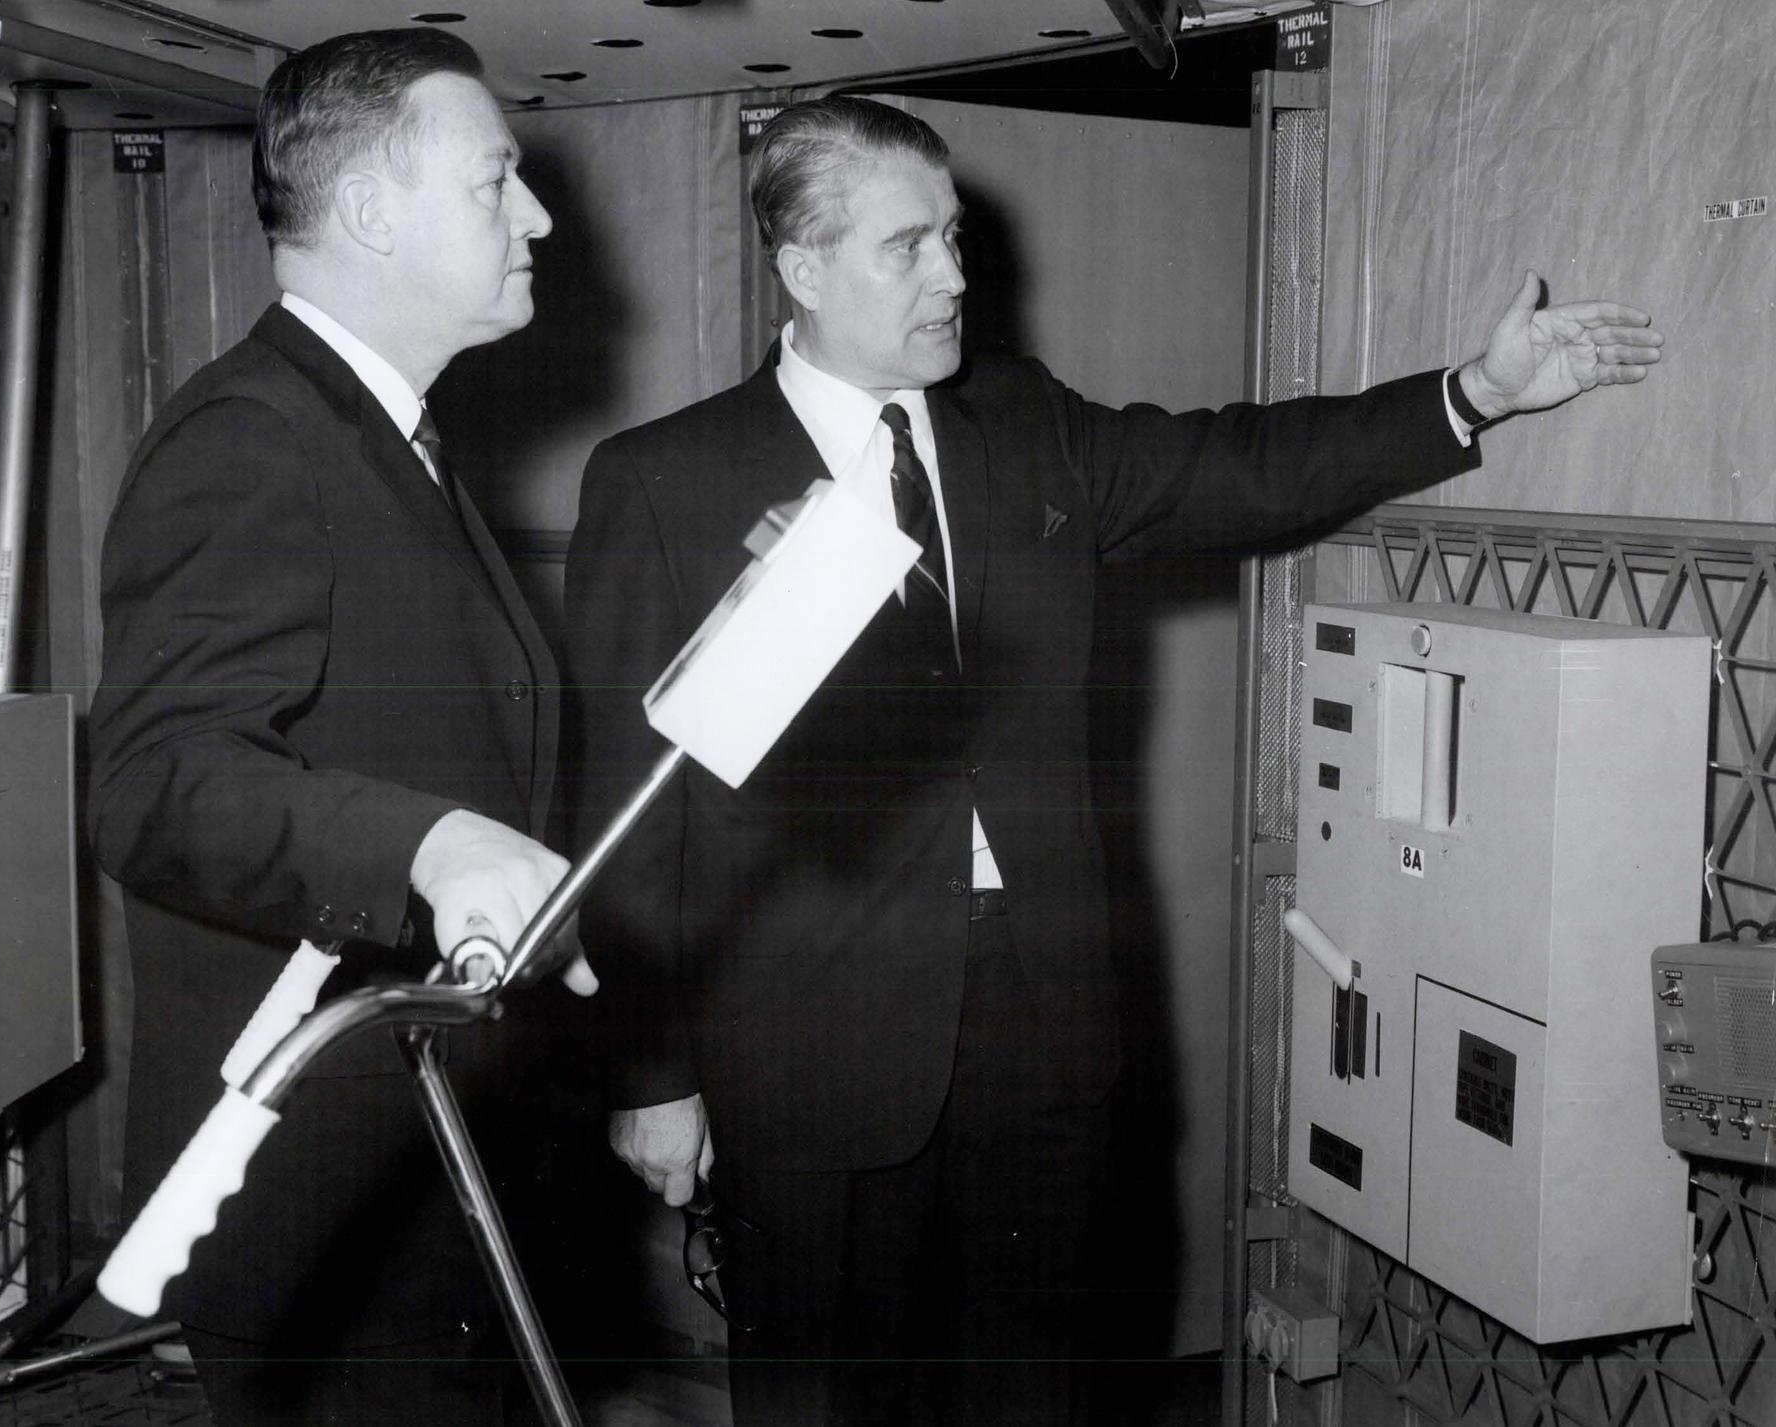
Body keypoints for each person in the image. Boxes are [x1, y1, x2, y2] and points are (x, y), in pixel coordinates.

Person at [562, 95, 1664, 1426]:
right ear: (801, 267)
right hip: (811, 1055)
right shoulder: (663, 482)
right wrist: (651, 1077)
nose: (956, 279)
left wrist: (1476, 393)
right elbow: (624, 804)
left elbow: (1240, 464)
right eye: (908, 248)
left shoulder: (1026, 427)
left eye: (955, 240)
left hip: (1042, 1035)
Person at [87, 28, 594, 1425]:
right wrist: (424, 844)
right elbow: (154, 779)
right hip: (327, 1199)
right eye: (498, 180)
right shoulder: (251, 438)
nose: (539, 213)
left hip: (425, 1170)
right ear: (373, 212)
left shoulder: (388, 438)